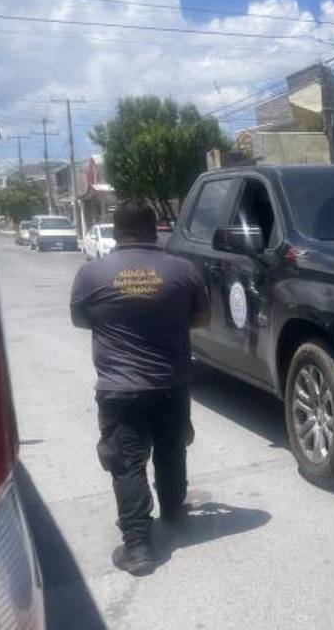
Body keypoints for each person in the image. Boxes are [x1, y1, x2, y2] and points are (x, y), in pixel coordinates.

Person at [70, 201, 210, 576]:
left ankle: (138, 549)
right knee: (171, 449)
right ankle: (174, 510)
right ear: (155, 229)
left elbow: (81, 320)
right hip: (171, 383)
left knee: (127, 464)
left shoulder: (90, 274)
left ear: (116, 232)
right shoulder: (183, 270)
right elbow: (202, 318)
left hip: (119, 389)